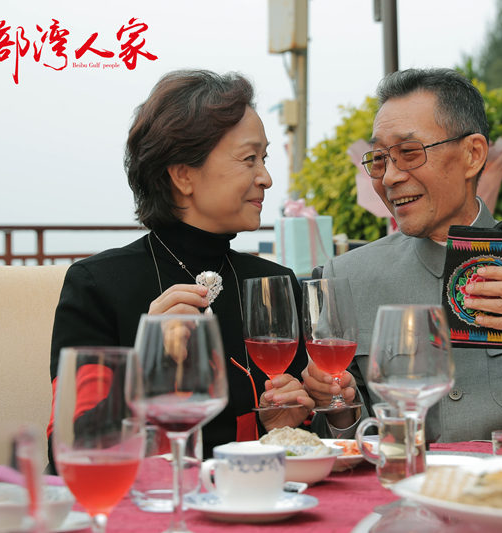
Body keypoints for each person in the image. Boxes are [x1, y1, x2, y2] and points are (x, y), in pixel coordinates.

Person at [303, 68, 502, 441]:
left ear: (473, 154)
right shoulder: (348, 277)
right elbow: (335, 439)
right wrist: (340, 410)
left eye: (409, 153)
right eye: (379, 158)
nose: (390, 177)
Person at [48, 70, 313, 465]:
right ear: (183, 175)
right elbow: (70, 446)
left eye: (265, 158)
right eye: (249, 159)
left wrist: (280, 426)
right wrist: (146, 364)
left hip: (251, 496)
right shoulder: (98, 286)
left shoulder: (273, 285)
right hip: (143, 499)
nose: (267, 178)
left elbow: (303, 443)